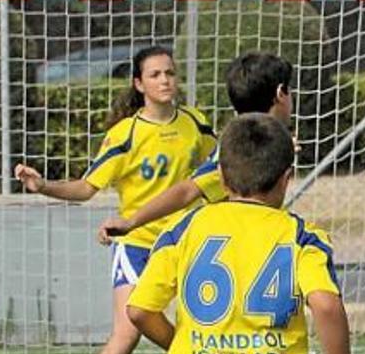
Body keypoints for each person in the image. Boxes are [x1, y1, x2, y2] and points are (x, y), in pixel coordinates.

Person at [14, 46, 215, 354]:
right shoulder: (125, 135)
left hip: (188, 245)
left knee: (214, 322)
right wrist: (44, 186)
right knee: (126, 333)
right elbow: (87, 188)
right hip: (138, 245)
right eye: (156, 74)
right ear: (139, 84)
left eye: (170, 73)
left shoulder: (196, 124)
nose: (165, 80)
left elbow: (221, 166)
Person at [127, 112, 352, 354]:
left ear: (219, 175)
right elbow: (326, 304)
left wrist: (181, 345)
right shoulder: (302, 237)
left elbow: (140, 310)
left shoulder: (184, 229)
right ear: (286, 178)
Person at [94, 51, 294, 243]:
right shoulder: (236, 149)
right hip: (243, 245)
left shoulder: (261, 140)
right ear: (281, 93)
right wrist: (132, 222)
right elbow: (187, 190)